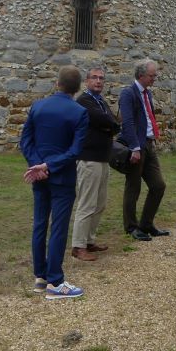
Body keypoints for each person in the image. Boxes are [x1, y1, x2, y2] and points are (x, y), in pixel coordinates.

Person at [20, 65, 90, 300]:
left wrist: (37, 164)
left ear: (57, 83)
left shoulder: (38, 106)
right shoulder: (79, 112)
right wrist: (49, 165)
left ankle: (40, 277)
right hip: (61, 176)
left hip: (39, 176)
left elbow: (25, 141)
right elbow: (75, 150)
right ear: (78, 88)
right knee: (58, 227)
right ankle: (55, 282)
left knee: (40, 224)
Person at [70, 67, 119, 261]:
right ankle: (78, 246)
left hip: (102, 157)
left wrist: (110, 125)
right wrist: (110, 125)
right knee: (87, 203)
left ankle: (89, 240)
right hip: (89, 159)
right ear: (87, 81)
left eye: (101, 78)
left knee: (100, 203)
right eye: (94, 78)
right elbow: (104, 119)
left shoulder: (100, 101)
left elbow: (112, 121)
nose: (98, 81)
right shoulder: (84, 101)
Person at [118, 59, 168, 241]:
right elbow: (128, 123)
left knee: (158, 185)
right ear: (141, 75)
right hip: (136, 147)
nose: (154, 78)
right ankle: (131, 227)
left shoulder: (147, 94)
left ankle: (146, 224)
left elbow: (147, 119)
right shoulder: (128, 94)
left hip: (148, 145)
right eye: (151, 75)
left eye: (155, 75)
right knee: (133, 187)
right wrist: (135, 148)